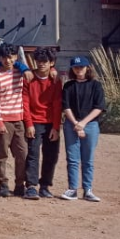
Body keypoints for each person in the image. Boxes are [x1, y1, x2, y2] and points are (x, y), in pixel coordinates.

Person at [61, 56, 107, 202]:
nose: (78, 70)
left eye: (81, 67)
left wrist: (83, 123)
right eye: (75, 67)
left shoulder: (96, 85)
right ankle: (72, 189)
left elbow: (99, 107)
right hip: (71, 124)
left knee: (88, 159)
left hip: (90, 125)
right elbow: (66, 106)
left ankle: (88, 190)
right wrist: (76, 123)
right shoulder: (68, 86)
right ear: (72, 69)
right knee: (73, 158)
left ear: (87, 68)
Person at [0, 42, 30, 198]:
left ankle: (20, 184)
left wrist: (24, 68)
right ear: (0, 58)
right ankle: (3, 184)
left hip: (19, 120)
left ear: (15, 57)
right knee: (1, 155)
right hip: (3, 120)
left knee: (22, 154)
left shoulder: (20, 72)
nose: (8, 60)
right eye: (5, 57)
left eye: (11, 57)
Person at [23, 47, 62, 199]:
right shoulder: (29, 77)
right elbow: (24, 102)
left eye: (45, 61)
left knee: (51, 155)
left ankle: (45, 186)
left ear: (51, 63)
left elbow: (57, 104)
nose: (41, 64)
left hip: (51, 122)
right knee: (33, 154)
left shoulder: (56, 80)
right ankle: (31, 186)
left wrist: (56, 127)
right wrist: (29, 124)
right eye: (39, 61)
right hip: (34, 122)